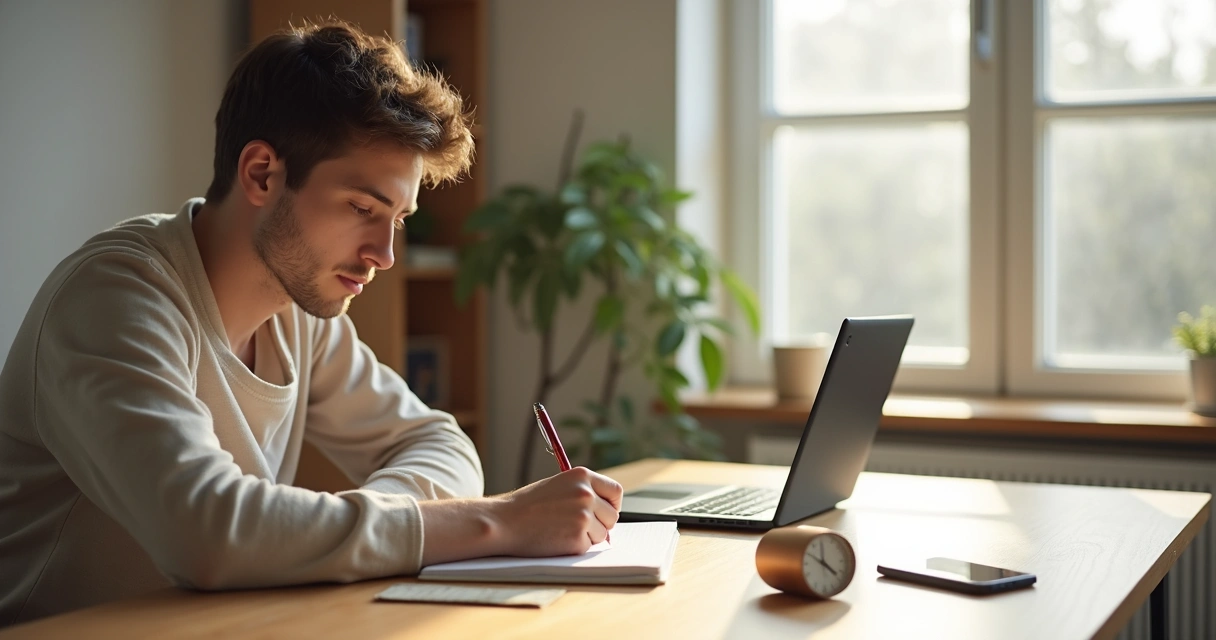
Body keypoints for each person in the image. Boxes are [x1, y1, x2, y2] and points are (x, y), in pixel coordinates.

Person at [0, 21, 622, 626]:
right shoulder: (115, 298)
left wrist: (352, 528)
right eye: (361, 208)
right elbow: (209, 534)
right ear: (262, 174)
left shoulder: (298, 311)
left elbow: (437, 442)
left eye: (398, 219)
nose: (385, 254)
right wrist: (498, 523)